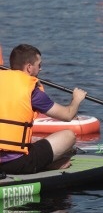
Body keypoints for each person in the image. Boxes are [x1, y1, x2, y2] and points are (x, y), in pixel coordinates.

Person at [0, 44, 86, 175]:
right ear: (29, 67)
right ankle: (48, 165)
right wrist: (77, 99)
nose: (41, 68)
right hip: (17, 164)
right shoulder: (32, 92)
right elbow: (68, 115)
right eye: (39, 65)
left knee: (33, 141)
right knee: (69, 136)